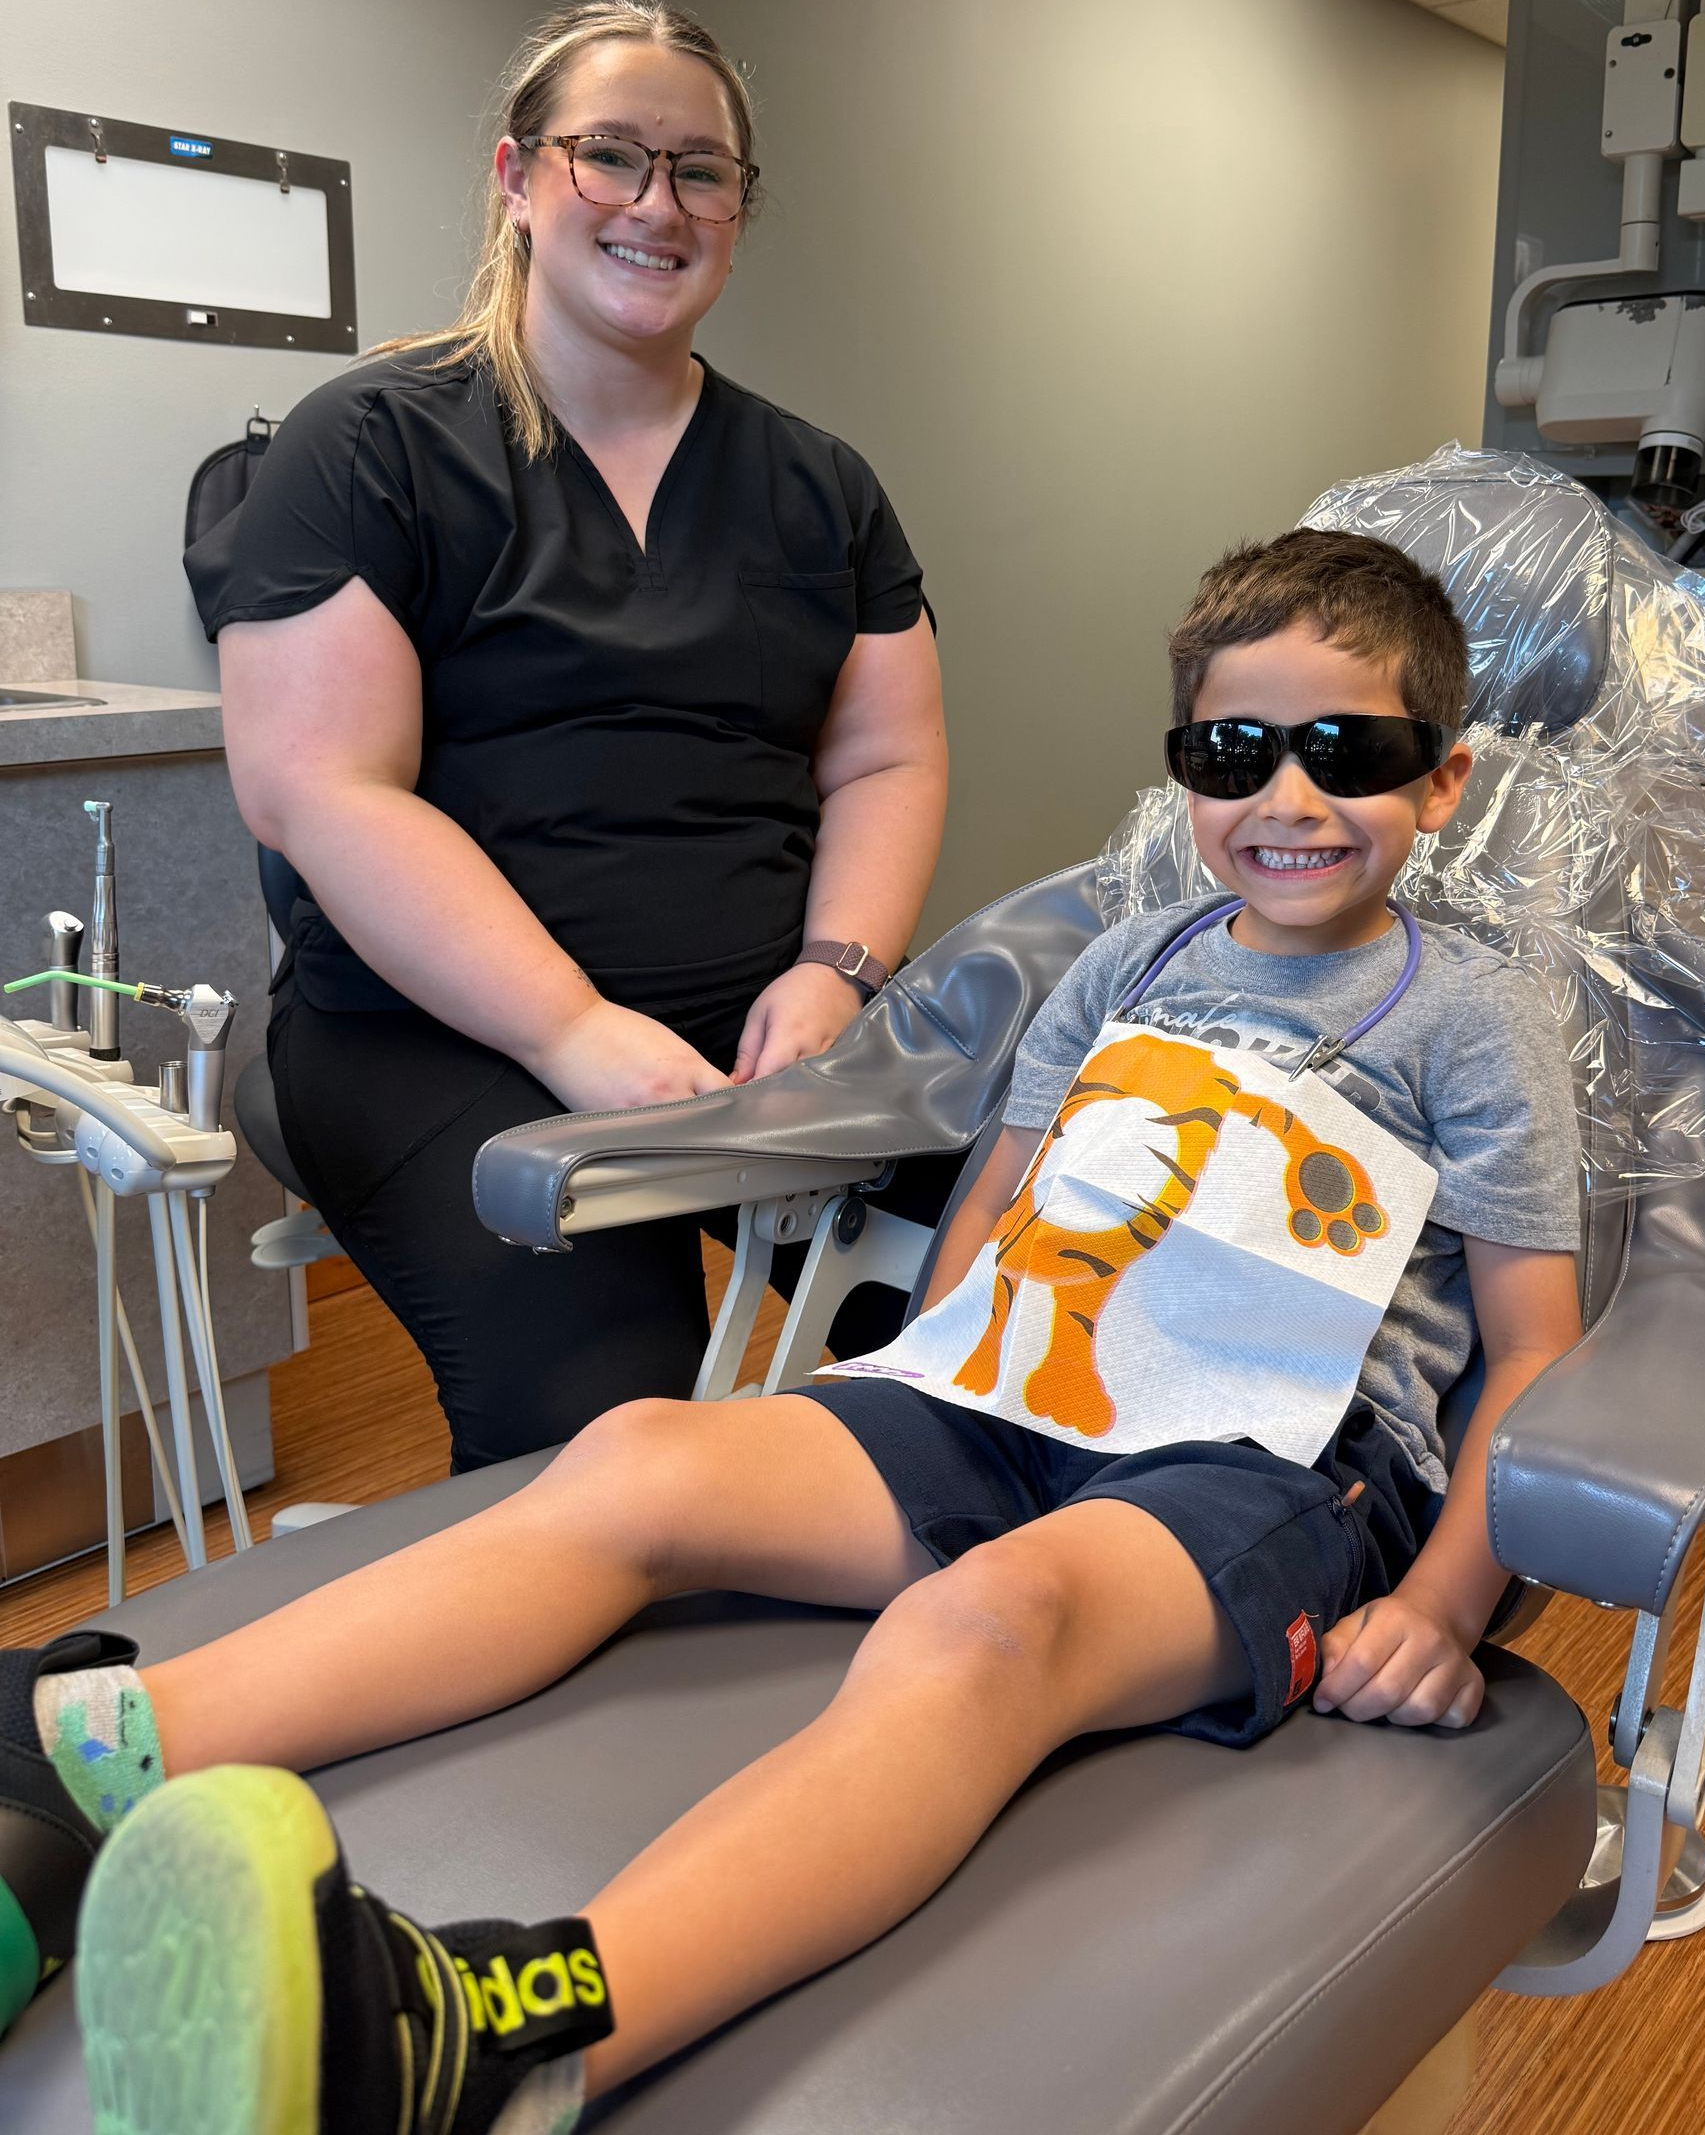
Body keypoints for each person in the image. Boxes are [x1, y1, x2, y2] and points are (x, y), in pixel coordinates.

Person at [0, 531, 1585, 2133]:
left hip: (1263, 1462)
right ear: (1186, 771)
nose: (1291, 797)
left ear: (1441, 780)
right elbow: (1004, 1200)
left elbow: (1528, 1343)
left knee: (988, 1623)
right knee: (638, 1458)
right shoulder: (1131, 963)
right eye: (1235, 753)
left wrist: (1442, 1604)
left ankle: (507, 2039)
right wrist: (912, 1367)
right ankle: (83, 1747)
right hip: (1013, 1389)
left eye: (1350, 752)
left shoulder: (1468, 1016)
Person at [187, 2, 948, 1469]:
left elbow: (885, 758)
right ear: (520, 178)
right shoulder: (371, 446)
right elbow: (322, 790)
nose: (657, 204)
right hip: (439, 1035)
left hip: (779, 1020)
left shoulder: (821, 484)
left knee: (1026, 1300)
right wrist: (570, 1029)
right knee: (610, 1423)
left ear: (737, 210)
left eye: (700, 170)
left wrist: (835, 970)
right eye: (611, 156)